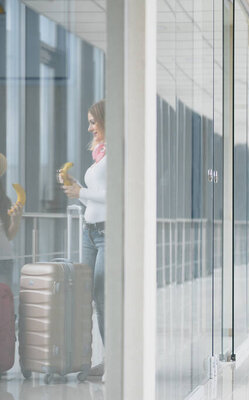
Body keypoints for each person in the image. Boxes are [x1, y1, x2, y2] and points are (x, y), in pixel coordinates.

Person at [62, 99, 106, 377]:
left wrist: (82, 193)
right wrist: (77, 193)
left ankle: (115, 359)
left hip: (108, 233)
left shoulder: (116, 153)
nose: (89, 127)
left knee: (103, 296)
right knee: (87, 295)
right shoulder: (100, 155)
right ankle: (99, 356)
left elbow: (116, 195)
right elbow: (94, 200)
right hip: (90, 232)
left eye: (93, 121)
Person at [0, 153, 23, 300]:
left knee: (3, 305)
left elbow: (9, 235)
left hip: (4, 259)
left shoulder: (4, 200)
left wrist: (16, 220)